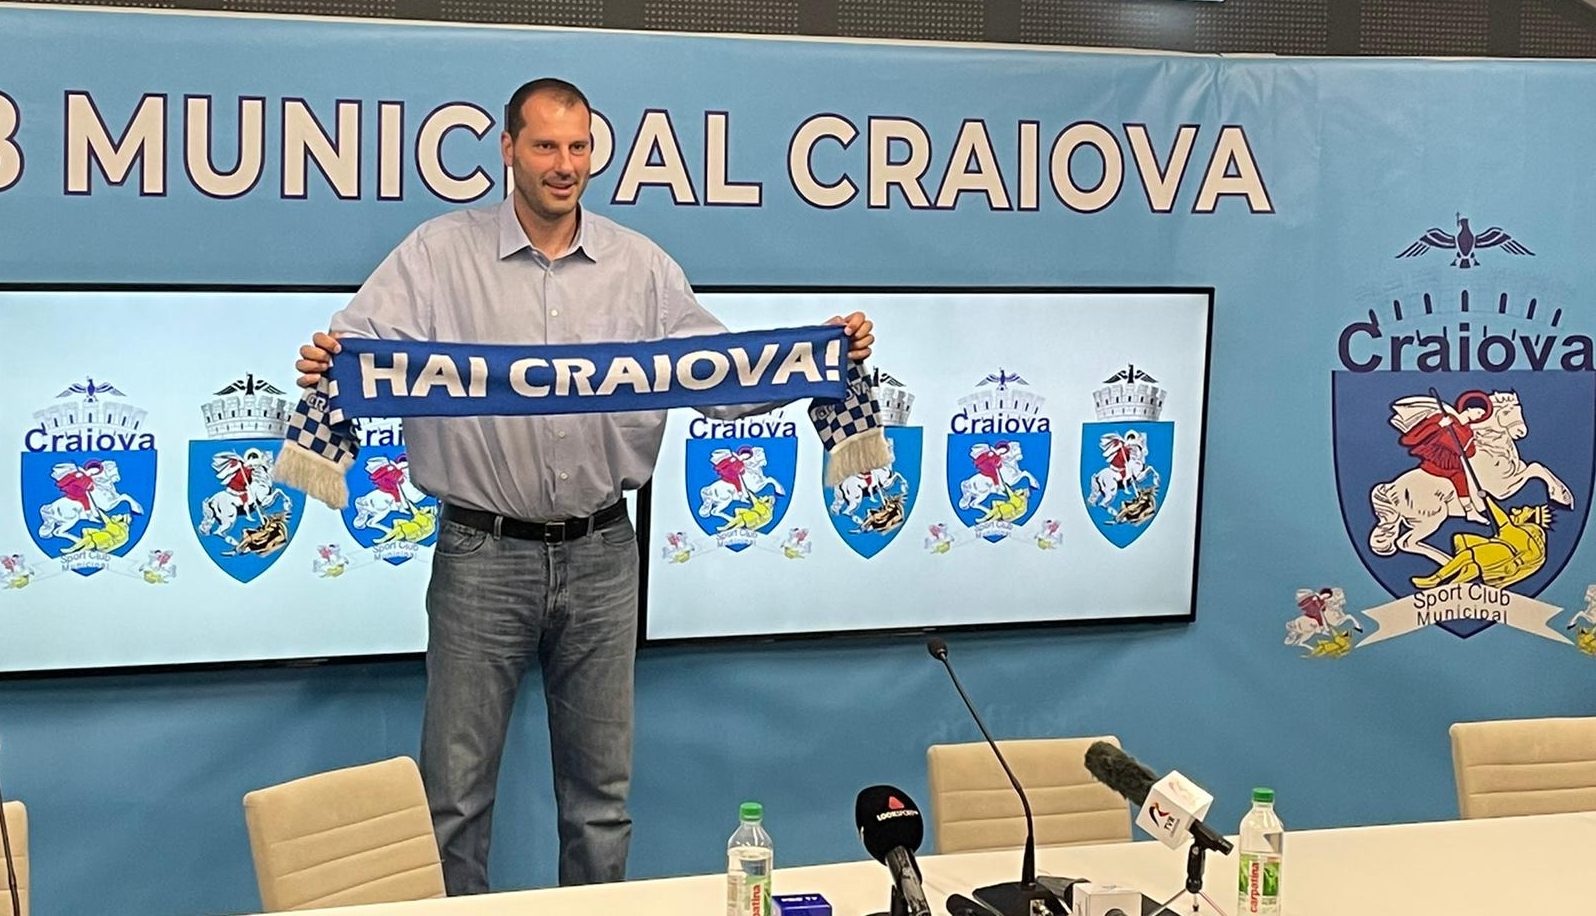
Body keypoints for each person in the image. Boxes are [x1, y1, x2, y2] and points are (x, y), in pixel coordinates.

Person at [293, 77, 873, 895]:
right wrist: (330, 359)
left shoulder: (641, 267)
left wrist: (821, 354)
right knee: (454, 799)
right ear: (508, 150)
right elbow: (356, 349)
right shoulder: (436, 254)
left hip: (605, 552)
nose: (563, 165)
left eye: (578, 147)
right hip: (481, 553)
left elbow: (721, 379)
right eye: (545, 146)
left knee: (601, 801)